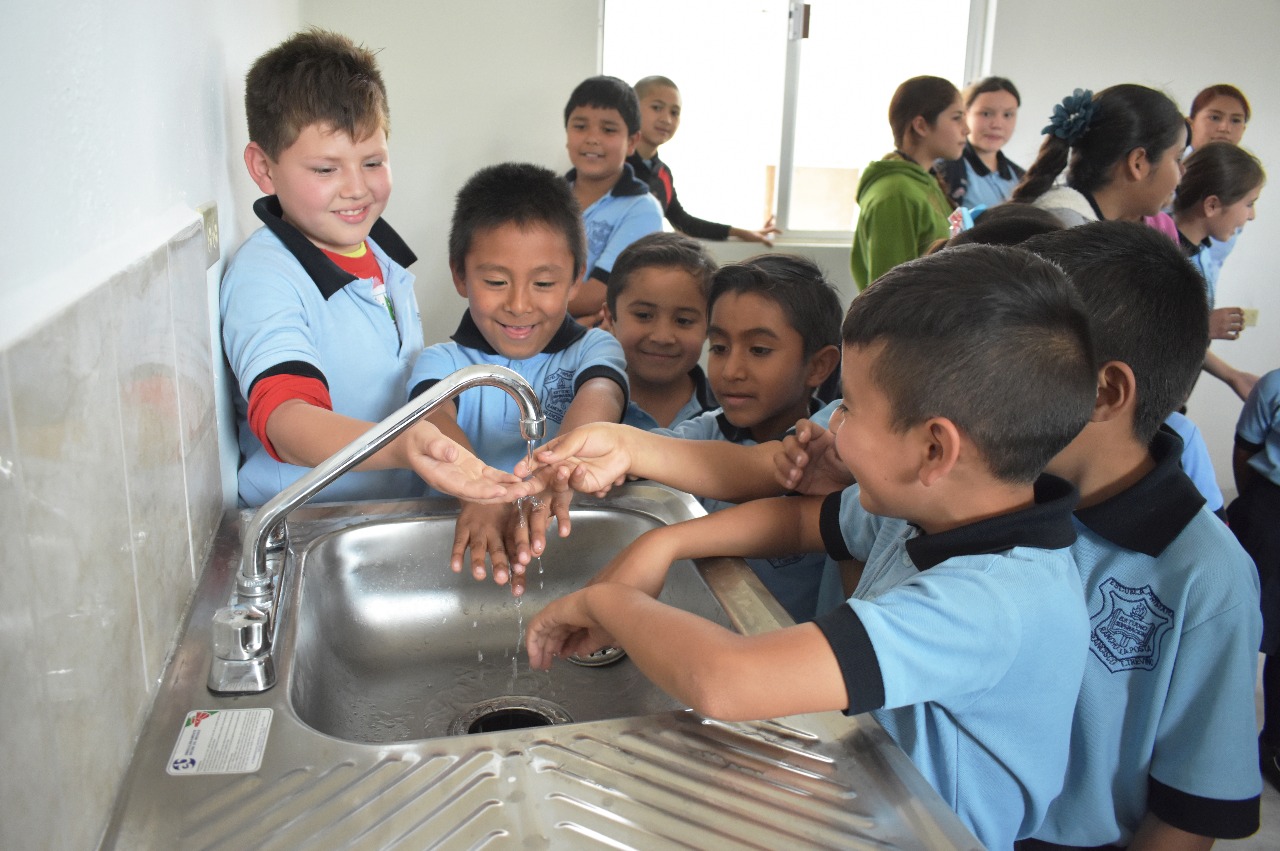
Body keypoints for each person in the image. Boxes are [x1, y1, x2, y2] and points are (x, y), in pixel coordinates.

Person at [524, 245, 1100, 848]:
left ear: (934, 449)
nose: (833, 430)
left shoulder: (990, 603)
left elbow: (727, 680)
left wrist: (605, 603)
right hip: (865, 796)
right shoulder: (930, 512)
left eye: (849, 409)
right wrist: (665, 544)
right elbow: (802, 522)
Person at [1016, 221, 1262, 848]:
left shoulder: (1207, 574)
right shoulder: (985, 499)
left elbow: (1190, 811)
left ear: (1105, 392)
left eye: (1008, 365)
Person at [220, 30, 534, 508]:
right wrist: (405, 442)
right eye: (326, 170)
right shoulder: (266, 276)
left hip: (383, 511)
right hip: (309, 522)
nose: (356, 189)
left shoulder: (378, 255)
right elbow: (286, 420)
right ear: (263, 168)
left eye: (372, 162)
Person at [407, 162, 628, 586]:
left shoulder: (594, 350)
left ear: (575, 280)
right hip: (455, 553)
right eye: (495, 281)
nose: (520, 305)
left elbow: (601, 399)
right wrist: (477, 490)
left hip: (565, 547)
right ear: (460, 275)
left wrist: (552, 473)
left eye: (543, 284)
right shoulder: (442, 362)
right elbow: (431, 418)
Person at [655, 255, 842, 621]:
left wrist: (624, 446)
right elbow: (663, 448)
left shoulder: (827, 436)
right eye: (720, 348)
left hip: (794, 659)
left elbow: (751, 469)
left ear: (818, 366)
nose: (731, 370)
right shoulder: (707, 429)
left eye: (758, 350)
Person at [628, 76, 781, 245]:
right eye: (657, 108)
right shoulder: (615, 166)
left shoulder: (662, 173)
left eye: (674, 112)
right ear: (633, 109)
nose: (667, 119)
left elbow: (683, 223)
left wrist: (741, 233)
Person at [562, 75, 664, 324]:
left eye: (608, 129)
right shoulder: (544, 198)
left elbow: (598, 295)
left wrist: (528, 309)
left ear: (632, 142)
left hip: (596, 345)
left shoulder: (642, 209)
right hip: (533, 336)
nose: (592, 138)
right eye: (580, 126)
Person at [850, 76, 967, 291]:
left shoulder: (924, 181)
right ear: (921, 125)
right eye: (957, 118)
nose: (966, 129)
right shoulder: (896, 192)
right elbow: (890, 293)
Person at [1011, 85, 1186, 227]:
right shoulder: (1066, 231)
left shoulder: (1086, 226)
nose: (1183, 171)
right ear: (1138, 163)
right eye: (1177, 159)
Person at [1172, 141, 1265, 400]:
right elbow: (1145, 333)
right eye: (1249, 203)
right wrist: (1201, 325)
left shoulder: (1201, 254)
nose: (1252, 215)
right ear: (1212, 205)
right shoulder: (1164, 256)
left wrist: (1233, 376)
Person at [606, 232, 719, 430]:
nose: (662, 337)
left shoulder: (729, 413)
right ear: (610, 318)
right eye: (643, 315)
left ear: (710, 327)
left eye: (683, 320)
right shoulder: (576, 403)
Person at [1229, 367, 1280, 794]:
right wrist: (1254, 510)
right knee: (1241, 626)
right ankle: (1222, 734)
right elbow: (1245, 451)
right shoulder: (1274, 384)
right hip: (1269, 515)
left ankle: (1275, 746)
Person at [939, 76, 1025, 211]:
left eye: (1008, 115)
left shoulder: (1021, 177)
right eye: (986, 114)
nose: (997, 125)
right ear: (964, 114)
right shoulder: (944, 169)